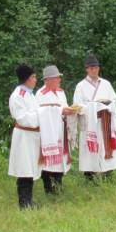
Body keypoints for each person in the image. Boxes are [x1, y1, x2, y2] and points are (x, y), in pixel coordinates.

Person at [72, 53, 116, 179]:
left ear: (99, 68)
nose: (93, 70)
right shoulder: (80, 86)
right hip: (91, 123)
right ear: (87, 69)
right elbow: (77, 106)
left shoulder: (106, 84)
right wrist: (93, 106)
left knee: (106, 146)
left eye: (95, 67)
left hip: (105, 121)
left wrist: (108, 106)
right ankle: (90, 176)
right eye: (91, 68)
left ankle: (108, 174)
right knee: (91, 150)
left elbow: (114, 100)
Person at [36, 65, 74, 196]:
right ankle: (48, 188)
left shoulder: (61, 92)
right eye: (57, 78)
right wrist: (59, 111)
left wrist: (70, 110)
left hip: (61, 130)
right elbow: (40, 113)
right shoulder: (40, 94)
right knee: (49, 160)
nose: (59, 80)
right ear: (48, 79)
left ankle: (58, 185)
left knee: (60, 160)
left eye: (59, 78)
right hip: (48, 133)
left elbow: (65, 106)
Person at [8, 64, 41, 209]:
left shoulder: (29, 93)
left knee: (30, 168)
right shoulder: (18, 96)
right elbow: (22, 118)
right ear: (26, 79)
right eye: (33, 77)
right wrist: (41, 115)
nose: (35, 79)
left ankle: (29, 200)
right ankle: (24, 203)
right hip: (24, 136)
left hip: (32, 136)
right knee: (24, 169)